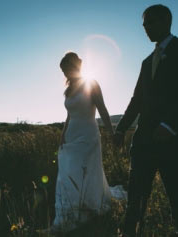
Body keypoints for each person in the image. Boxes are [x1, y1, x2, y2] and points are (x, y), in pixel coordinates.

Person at [113, 4, 178, 236]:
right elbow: (137, 100)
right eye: (143, 24)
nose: (145, 28)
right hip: (143, 139)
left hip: (172, 138)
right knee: (136, 196)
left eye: (150, 22)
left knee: (176, 194)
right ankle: (130, 232)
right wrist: (121, 129)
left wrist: (169, 125)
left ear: (166, 21)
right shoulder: (146, 62)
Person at [49, 52, 127, 234]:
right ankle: (71, 208)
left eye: (67, 68)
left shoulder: (91, 83)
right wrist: (62, 135)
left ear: (76, 65)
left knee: (85, 170)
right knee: (69, 171)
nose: (66, 73)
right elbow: (69, 115)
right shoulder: (68, 89)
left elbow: (103, 109)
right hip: (72, 134)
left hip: (88, 134)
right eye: (63, 71)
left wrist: (112, 132)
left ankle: (88, 205)